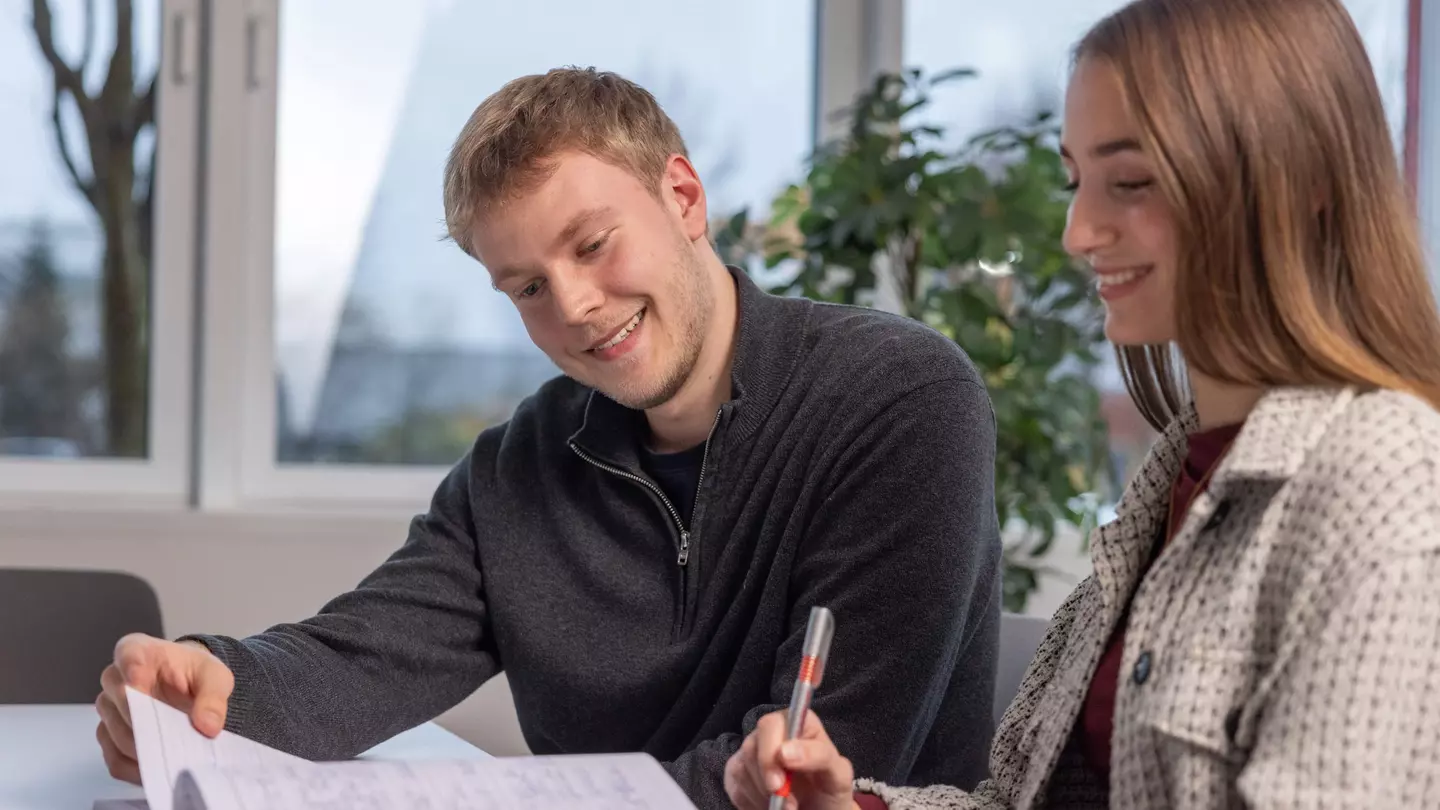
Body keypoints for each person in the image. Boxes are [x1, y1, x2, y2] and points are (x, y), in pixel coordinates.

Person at [93, 67, 1004, 807]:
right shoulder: (517, 467)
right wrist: (206, 681)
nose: (572, 306)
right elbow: (362, 659)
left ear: (683, 197)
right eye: (526, 287)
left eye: (593, 244)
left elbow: (825, 760)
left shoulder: (899, 400)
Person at [724, 0, 1440, 807]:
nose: (1077, 230)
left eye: (1130, 182)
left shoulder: (1383, 484)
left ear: (1302, 183)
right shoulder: (1177, 470)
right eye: (1076, 180)